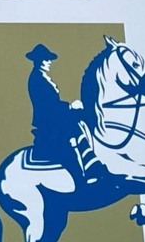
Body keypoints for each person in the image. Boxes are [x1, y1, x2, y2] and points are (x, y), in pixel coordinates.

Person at [24, 43, 104, 184]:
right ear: (39, 61)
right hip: (48, 120)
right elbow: (48, 105)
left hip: (53, 115)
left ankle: (92, 161)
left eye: (49, 59)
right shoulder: (37, 79)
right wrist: (71, 106)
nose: (49, 62)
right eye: (46, 59)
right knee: (75, 121)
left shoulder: (42, 77)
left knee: (83, 116)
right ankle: (86, 170)